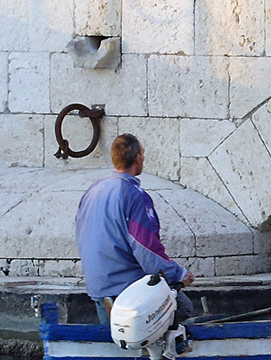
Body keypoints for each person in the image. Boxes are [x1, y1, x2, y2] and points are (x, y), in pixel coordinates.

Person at [75, 133, 194, 324]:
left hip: (99, 289)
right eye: (143, 153)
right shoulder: (134, 195)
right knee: (184, 308)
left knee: (117, 341)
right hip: (128, 290)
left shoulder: (92, 191)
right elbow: (146, 247)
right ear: (138, 157)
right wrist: (177, 274)